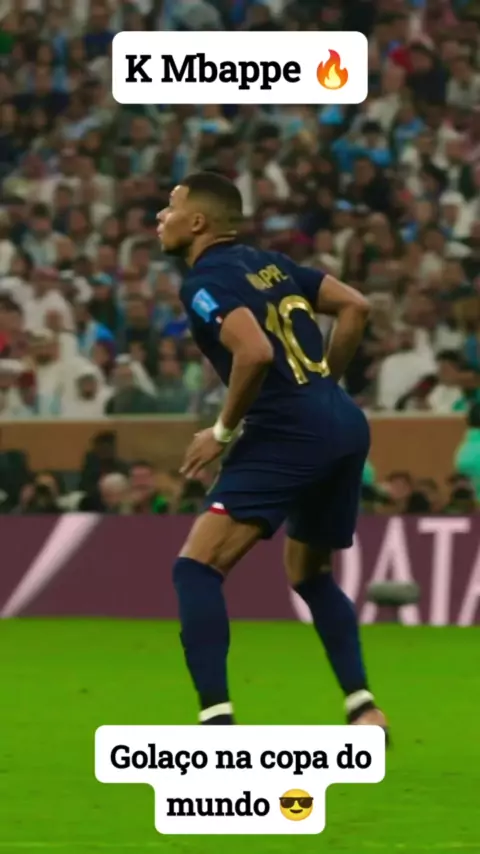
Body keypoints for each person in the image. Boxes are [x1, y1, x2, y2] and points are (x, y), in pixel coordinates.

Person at [157, 171, 387, 733]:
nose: (160, 217)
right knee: (310, 572)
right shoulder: (271, 265)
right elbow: (355, 307)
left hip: (285, 432)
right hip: (342, 423)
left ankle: (217, 729)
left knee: (196, 569)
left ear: (197, 222)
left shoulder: (205, 282)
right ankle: (364, 707)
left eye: (171, 206)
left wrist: (222, 432)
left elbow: (254, 352)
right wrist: (323, 385)